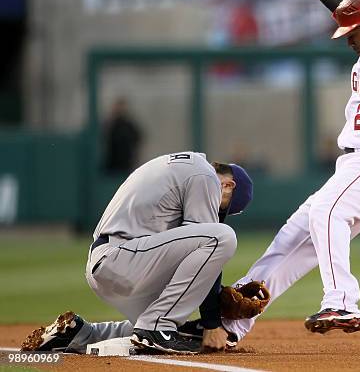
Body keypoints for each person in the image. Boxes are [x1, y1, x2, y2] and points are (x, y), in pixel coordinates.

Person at [218, 0, 360, 343]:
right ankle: (232, 320)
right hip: (359, 165)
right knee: (294, 236)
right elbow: (357, 17)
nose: (348, 39)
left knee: (329, 211)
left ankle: (343, 301)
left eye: (353, 32)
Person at [21, 152, 253, 354]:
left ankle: (80, 334)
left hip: (116, 262)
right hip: (122, 258)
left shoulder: (185, 167)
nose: (218, 210)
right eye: (225, 206)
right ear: (228, 185)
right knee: (223, 236)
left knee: (176, 323)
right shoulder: (205, 176)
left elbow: (190, 258)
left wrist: (215, 294)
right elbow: (208, 241)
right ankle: (155, 327)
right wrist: (212, 322)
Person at [103, 97, 143, 174]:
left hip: (126, 163)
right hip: (112, 163)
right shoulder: (110, 124)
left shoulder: (128, 124)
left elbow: (138, 138)